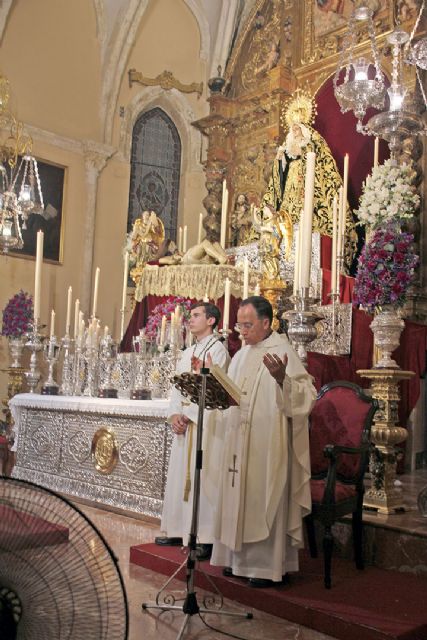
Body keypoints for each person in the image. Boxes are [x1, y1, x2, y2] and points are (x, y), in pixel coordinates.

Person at [211, 296, 316, 587]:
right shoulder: (242, 355)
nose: (241, 331)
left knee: (262, 497)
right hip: (238, 441)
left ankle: (262, 567)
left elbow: (306, 396)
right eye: (239, 325)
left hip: (266, 443)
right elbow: (231, 394)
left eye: (248, 325)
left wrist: (283, 379)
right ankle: (235, 560)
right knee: (236, 497)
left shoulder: (282, 350)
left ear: (266, 323)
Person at [155, 301, 230, 559]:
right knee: (180, 476)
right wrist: (174, 414)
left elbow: (217, 387)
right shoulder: (188, 352)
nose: (191, 319)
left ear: (211, 320)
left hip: (204, 424)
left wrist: (188, 415)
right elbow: (177, 387)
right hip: (184, 423)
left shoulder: (218, 350)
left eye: (197, 315)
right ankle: (178, 529)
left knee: (202, 478)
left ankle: (204, 536)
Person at [261, 91, 357, 265]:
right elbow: (279, 175)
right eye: (293, 128)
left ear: (304, 127)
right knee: (286, 209)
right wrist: (281, 160)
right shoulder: (287, 145)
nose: (295, 131)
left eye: (298, 128)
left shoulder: (313, 141)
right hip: (291, 181)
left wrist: (304, 151)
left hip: (306, 184)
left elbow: (320, 164)